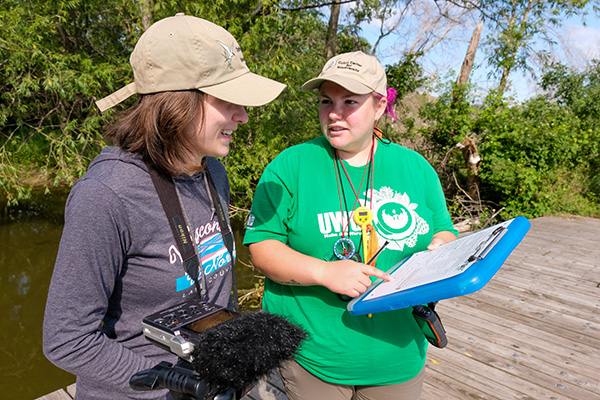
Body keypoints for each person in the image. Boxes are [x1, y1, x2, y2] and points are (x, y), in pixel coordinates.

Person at [43, 13, 285, 399]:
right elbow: (67, 339)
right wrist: (179, 381)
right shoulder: (105, 196)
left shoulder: (213, 171)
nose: (243, 116)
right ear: (176, 104)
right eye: (228, 101)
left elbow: (211, 281)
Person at [243, 51, 457, 400]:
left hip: (397, 357)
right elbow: (262, 248)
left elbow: (442, 231)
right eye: (326, 100)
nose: (334, 113)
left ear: (378, 106)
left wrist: (442, 248)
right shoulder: (290, 166)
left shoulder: (416, 169)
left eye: (350, 101)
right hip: (310, 359)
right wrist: (325, 273)